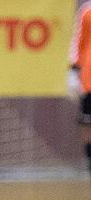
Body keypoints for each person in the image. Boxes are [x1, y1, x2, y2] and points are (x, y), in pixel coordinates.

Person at [70, 0, 91, 177]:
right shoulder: (87, 11)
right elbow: (79, 43)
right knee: (87, 123)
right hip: (89, 79)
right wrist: (74, 71)